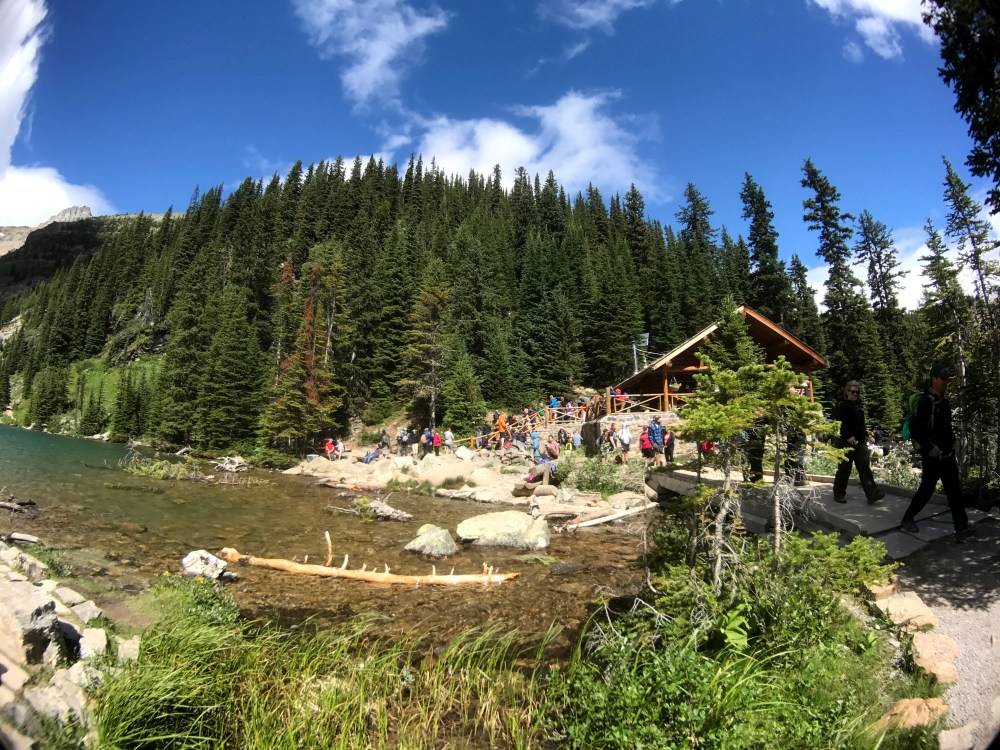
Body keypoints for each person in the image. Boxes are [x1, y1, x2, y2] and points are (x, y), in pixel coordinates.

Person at [900, 364, 973, 542]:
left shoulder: (944, 402)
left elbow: (945, 428)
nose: (946, 382)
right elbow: (915, 429)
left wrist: (952, 442)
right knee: (926, 490)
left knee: (954, 491)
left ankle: (961, 528)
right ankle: (907, 518)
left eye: (948, 379)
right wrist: (929, 448)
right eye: (943, 379)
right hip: (933, 456)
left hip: (947, 455)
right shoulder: (926, 401)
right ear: (934, 379)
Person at [832, 381, 885, 504]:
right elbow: (841, 423)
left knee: (864, 467)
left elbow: (861, 426)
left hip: (859, 442)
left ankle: (872, 493)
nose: (855, 394)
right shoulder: (842, 406)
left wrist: (867, 436)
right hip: (845, 442)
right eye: (853, 392)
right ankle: (839, 493)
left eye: (857, 392)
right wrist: (848, 436)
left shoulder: (858, 408)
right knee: (844, 468)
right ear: (847, 392)